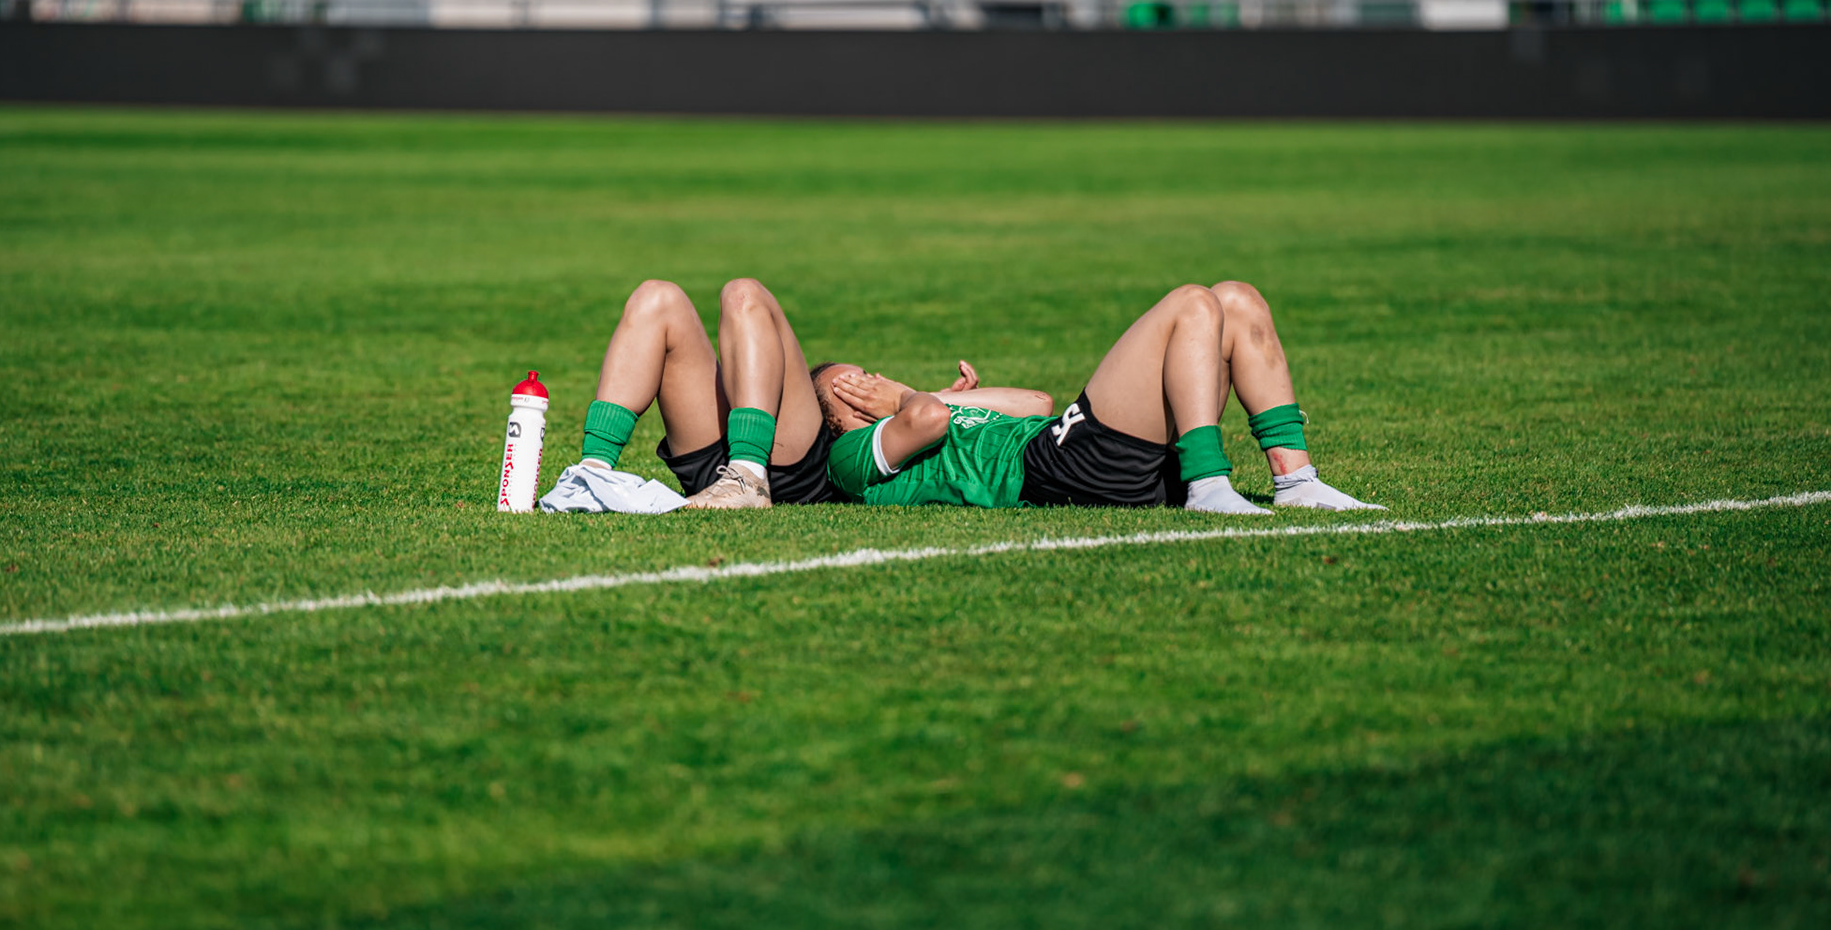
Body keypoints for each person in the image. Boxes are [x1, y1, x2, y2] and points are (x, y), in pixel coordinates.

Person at [819, 281, 1382, 514]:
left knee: (1236, 299)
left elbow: (1038, 403)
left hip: (1060, 443)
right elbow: (927, 418)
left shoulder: (924, 412)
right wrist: (912, 399)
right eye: (852, 385)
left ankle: (1295, 482)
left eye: (867, 373)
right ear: (838, 418)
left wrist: (942, 398)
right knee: (1191, 303)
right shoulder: (849, 457)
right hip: (1052, 469)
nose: (869, 382)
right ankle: (1208, 486)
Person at [541, 277, 848, 509]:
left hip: (796, 466)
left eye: (855, 384)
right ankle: (590, 476)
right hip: (715, 470)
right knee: (655, 296)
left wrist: (897, 396)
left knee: (745, 293)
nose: (868, 379)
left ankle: (750, 476)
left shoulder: (879, 448)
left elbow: (897, 430)